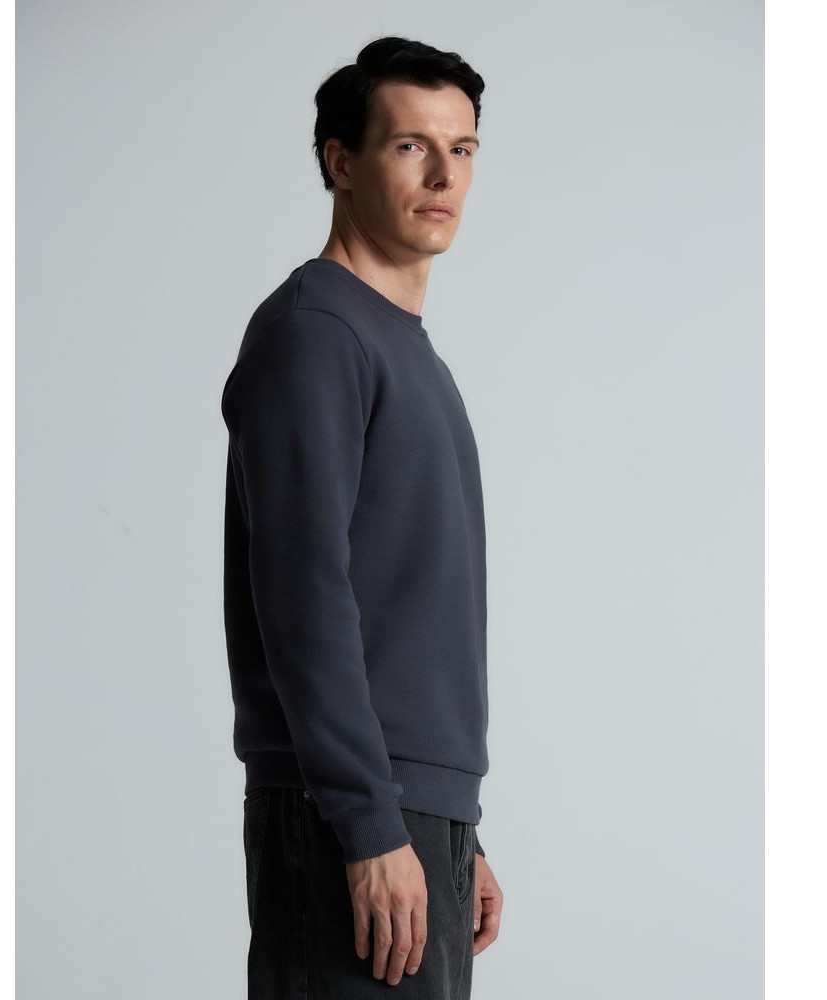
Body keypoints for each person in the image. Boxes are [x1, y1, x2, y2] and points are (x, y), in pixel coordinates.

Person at [220, 35, 504, 998]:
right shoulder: (316, 335)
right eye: (410, 146)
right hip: (345, 810)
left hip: (408, 807)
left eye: (462, 149)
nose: (443, 176)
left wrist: (455, 828)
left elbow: (401, 601)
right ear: (340, 161)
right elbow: (303, 595)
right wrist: (372, 823)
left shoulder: (403, 348)